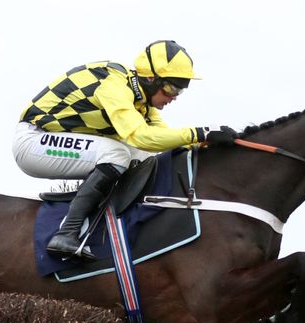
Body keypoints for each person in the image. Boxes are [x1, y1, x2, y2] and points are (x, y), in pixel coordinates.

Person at [13, 40, 237, 261]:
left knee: (149, 158)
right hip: (35, 142)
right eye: (171, 87)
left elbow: (163, 141)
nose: (174, 96)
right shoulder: (114, 85)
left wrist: (208, 141)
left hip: (60, 140)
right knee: (117, 154)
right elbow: (141, 137)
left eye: (181, 89)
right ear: (151, 78)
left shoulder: (140, 101)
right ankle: (66, 233)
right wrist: (200, 132)